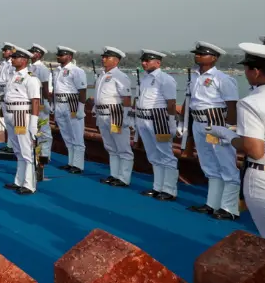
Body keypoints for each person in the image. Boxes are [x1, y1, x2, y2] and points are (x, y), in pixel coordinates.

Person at [208, 43, 265, 249]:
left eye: (247, 69)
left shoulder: (252, 102)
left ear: (256, 72)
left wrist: (228, 135)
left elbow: (254, 150)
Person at [176, 42, 239, 219]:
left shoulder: (222, 78)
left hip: (216, 122)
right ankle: (212, 204)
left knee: (226, 164)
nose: (198, 56)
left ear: (214, 58)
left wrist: (229, 129)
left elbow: (231, 105)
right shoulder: (195, 77)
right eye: (197, 53)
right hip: (199, 122)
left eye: (202, 54)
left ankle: (230, 208)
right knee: (209, 164)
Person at [133, 49, 179, 201]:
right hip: (144, 118)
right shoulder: (145, 79)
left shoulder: (165, 79)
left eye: (147, 60)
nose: (144, 63)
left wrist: (171, 122)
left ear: (158, 62)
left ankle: (169, 190)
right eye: (143, 60)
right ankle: (157, 187)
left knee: (166, 155)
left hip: (159, 119)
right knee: (153, 155)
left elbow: (171, 103)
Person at [1, 45, 42, 195]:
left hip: (21, 115)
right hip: (11, 113)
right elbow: (9, 95)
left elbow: (35, 101)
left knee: (26, 151)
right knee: (18, 151)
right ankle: (19, 181)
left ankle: (29, 184)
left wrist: (33, 123)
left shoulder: (30, 79)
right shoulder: (13, 76)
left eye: (15, 57)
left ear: (24, 60)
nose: (11, 60)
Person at [90, 47, 133, 187]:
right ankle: (114, 175)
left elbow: (126, 98)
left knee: (122, 147)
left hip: (115, 114)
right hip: (102, 114)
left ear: (116, 60)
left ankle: (124, 178)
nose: (103, 59)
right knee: (110, 147)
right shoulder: (102, 75)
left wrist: (126, 117)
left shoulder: (120, 76)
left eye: (107, 57)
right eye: (103, 57)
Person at [52, 47, 88, 174]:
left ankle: (78, 165)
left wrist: (81, 108)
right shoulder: (57, 70)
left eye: (61, 55)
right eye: (58, 54)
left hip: (72, 103)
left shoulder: (76, 71)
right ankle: (71, 162)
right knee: (66, 135)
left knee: (76, 136)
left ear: (69, 57)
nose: (58, 56)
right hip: (60, 103)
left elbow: (82, 90)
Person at [28, 45, 53, 175]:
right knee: (34, 129)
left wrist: (47, 102)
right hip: (32, 101)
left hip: (41, 102)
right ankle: (36, 153)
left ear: (39, 54)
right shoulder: (30, 67)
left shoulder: (42, 68)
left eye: (33, 52)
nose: (31, 53)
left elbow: (45, 87)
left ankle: (45, 154)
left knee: (44, 130)